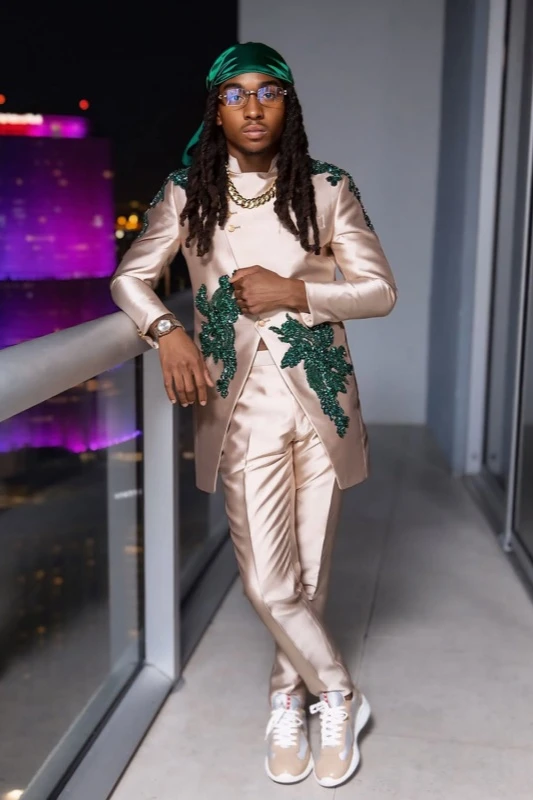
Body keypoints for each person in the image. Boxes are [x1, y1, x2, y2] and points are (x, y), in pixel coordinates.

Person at [110, 41, 397, 789]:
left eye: (267, 91)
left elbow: (378, 291)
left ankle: (287, 700)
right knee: (268, 584)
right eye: (234, 94)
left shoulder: (328, 187)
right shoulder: (187, 192)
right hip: (239, 410)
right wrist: (167, 330)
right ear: (215, 109)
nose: (252, 107)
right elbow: (131, 278)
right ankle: (339, 692)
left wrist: (295, 291)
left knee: (309, 575)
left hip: (324, 402)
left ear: (287, 104)